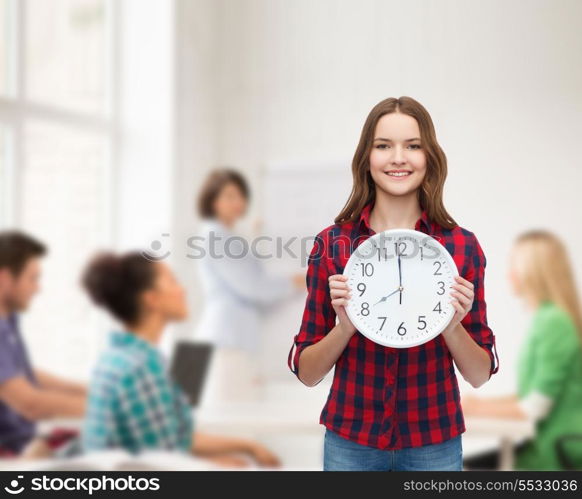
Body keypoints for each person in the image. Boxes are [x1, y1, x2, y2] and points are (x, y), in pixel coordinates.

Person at [288, 96, 499, 471]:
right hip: (351, 439)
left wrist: (451, 326)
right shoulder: (332, 245)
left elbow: (480, 374)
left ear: (429, 157)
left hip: (434, 441)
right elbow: (306, 372)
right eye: (383, 145)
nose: (398, 158)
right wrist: (346, 327)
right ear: (366, 159)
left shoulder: (462, 247)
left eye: (413, 146)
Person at [81, 251, 280, 468]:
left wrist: (246, 446)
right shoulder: (142, 368)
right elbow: (162, 463)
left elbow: (174, 440)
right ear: (151, 299)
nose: (183, 289)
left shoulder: (120, 357)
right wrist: (220, 465)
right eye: (172, 281)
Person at [463, 230, 582, 470]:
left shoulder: (554, 322)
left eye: (514, 267)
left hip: (558, 452)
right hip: (546, 446)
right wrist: (477, 405)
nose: (509, 275)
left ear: (533, 273)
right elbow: (531, 394)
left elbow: (534, 407)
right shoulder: (547, 319)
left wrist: (478, 408)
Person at [194, 168, 304, 404]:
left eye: (240, 195)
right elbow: (253, 287)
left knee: (227, 419)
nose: (238, 202)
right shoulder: (216, 236)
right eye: (229, 196)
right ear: (212, 200)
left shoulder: (224, 235)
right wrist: (295, 282)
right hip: (225, 342)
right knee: (229, 422)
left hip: (226, 340)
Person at [0, 231, 86, 458]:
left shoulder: (8, 322)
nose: (38, 288)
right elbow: (30, 404)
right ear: (6, 278)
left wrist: (89, 390)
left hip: (25, 444)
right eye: (33, 278)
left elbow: (22, 375)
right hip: (10, 456)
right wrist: (107, 407)